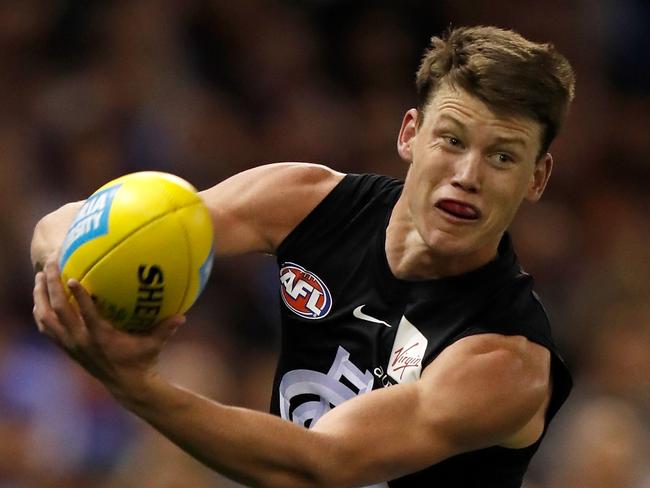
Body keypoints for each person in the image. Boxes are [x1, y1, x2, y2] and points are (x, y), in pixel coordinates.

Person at [31, 26, 575, 487]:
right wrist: (77, 277)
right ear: (410, 134)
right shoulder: (307, 201)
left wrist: (135, 386)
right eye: (451, 140)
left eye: (503, 156)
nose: (468, 176)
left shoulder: (506, 362)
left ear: (537, 178)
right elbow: (66, 225)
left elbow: (323, 466)